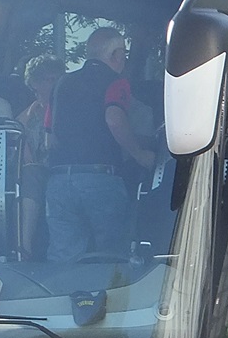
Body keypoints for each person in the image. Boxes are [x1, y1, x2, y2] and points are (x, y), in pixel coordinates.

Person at [45, 27, 157, 263]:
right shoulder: (117, 82)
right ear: (115, 55)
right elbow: (114, 118)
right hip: (100, 179)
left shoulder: (61, 82)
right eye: (123, 54)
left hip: (59, 181)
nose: (124, 60)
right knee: (111, 257)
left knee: (63, 258)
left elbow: (50, 137)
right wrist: (140, 155)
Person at [15, 54, 64, 260]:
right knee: (31, 172)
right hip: (37, 175)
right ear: (34, 83)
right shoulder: (23, 118)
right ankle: (24, 248)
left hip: (64, 170)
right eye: (49, 79)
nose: (55, 84)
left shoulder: (70, 111)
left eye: (57, 79)